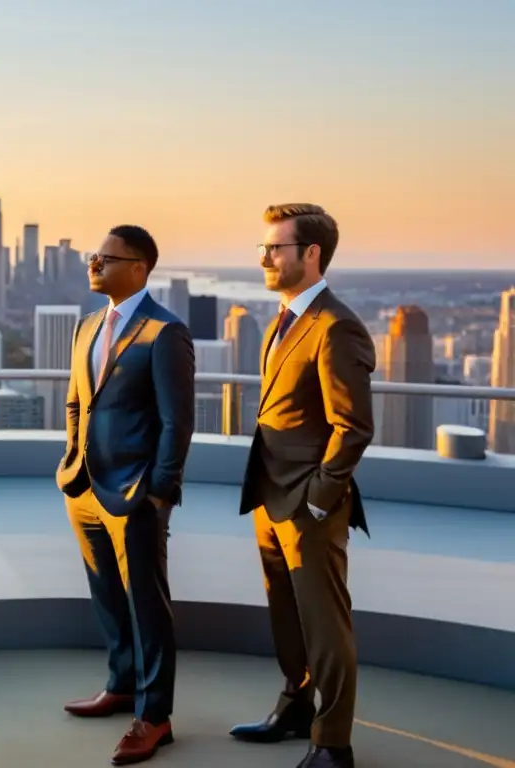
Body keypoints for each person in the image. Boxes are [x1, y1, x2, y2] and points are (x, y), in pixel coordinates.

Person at [232, 204, 375, 768]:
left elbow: (354, 426)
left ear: (310, 254)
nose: (264, 257)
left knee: (325, 625)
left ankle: (332, 744)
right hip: (270, 495)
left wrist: (319, 498)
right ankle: (295, 706)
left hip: (309, 505)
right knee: (285, 616)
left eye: (276, 248)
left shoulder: (336, 325)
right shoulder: (283, 317)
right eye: (263, 248)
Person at [56, 225, 195, 765]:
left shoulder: (165, 332)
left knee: (146, 604)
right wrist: (71, 458)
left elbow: (176, 421)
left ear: (138, 267)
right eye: (94, 256)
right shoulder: (87, 326)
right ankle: (120, 685)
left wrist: (160, 491)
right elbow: (77, 402)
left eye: (105, 258)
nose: (93, 264)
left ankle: (154, 716)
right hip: (84, 487)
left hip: (136, 493)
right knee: (107, 595)